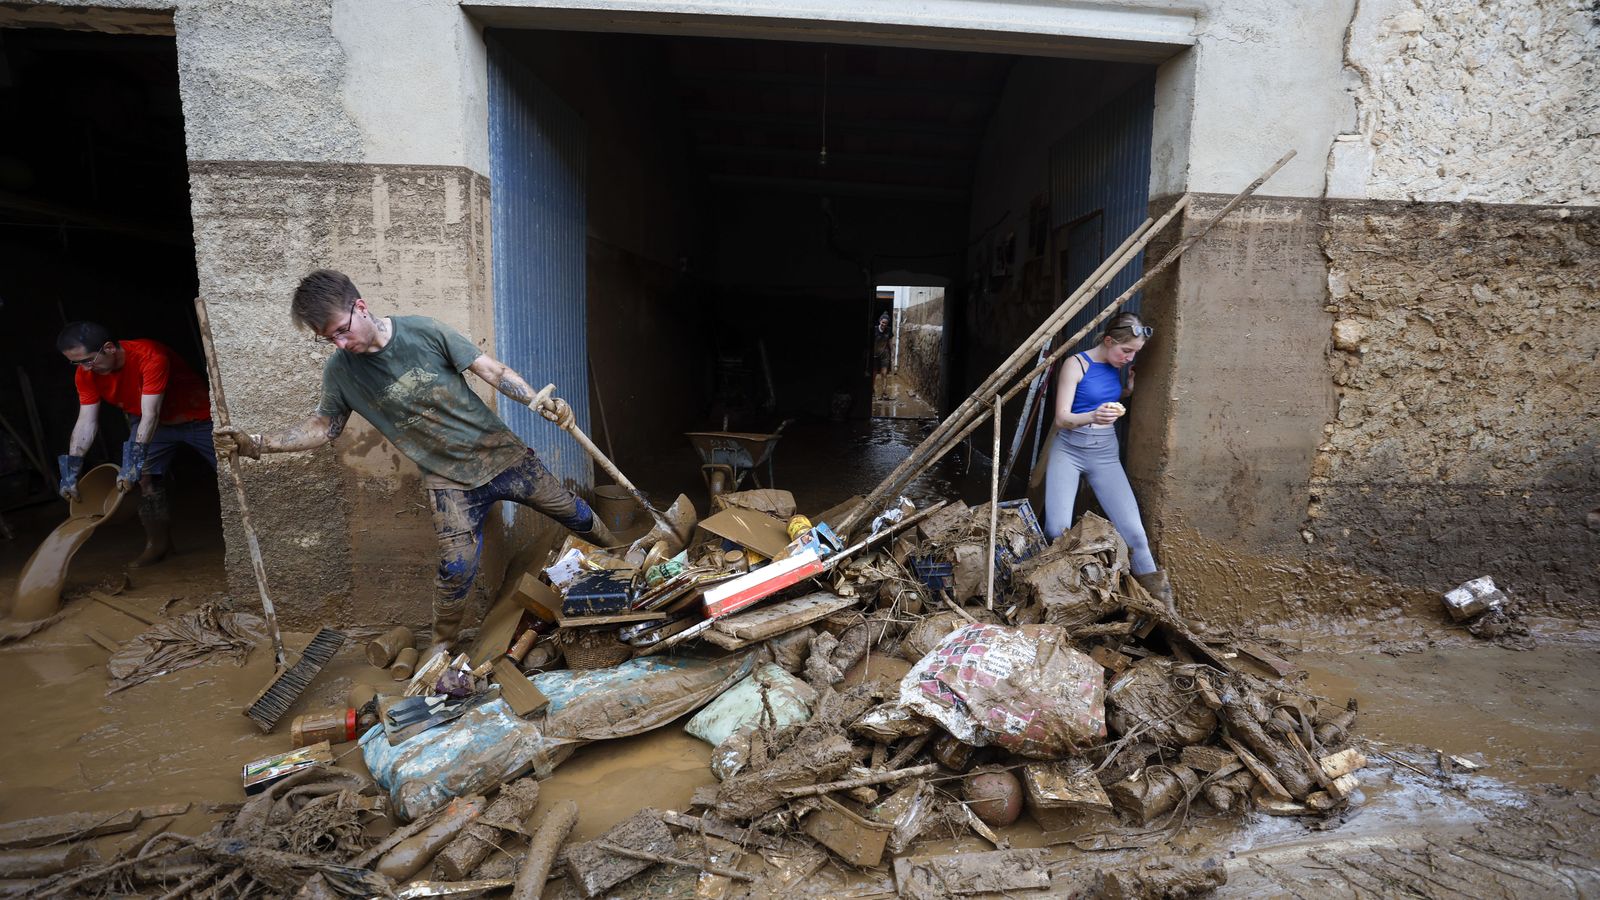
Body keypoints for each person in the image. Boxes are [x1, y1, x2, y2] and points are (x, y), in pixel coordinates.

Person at [213, 269, 616, 657]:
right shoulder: (341, 372)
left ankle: (623, 550)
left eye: (341, 330)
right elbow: (324, 429)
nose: (339, 343)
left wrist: (540, 402)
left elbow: (490, 370)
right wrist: (257, 443)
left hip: (502, 454)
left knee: (572, 511)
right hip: (448, 481)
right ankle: (442, 643)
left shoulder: (423, 330)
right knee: (455, 569)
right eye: (327, 339)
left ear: (361, 306)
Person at [1043, 311, 1175, 611]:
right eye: (1125, 350)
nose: (1128, 358)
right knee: (1057, 530)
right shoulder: (1076, 364)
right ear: (1107, 340)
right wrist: (1093, 415)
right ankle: (1065, 604)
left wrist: (1126, 389)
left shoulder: (1118, 368)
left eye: (1134, 353)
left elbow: (1106, 397)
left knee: (1135, 534)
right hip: (1069, 451)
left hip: (1105, 453)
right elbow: (1062, 418)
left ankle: (1164, 611)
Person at [56, 321, 217, 567]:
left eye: (88, 360)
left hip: (198, 418)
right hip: (152, 423)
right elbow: (86, 421)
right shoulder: (86, 373)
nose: (85, 369)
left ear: (109, 348)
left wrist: (132, 462)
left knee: (230, 471)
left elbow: (151, 412)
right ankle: (158, 545)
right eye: (76, 363)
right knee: (143, 479)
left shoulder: (151, 356)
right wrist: (71, 468)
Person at [871, 311, 892, 397]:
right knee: (874, 373)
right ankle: (872, 389)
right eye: (883, 322)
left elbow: (890, 342)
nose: (884, 324)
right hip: (875, 354)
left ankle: (884, 392)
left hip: (884, 354)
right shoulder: (875, 329)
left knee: (884, 373)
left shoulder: (888, 330)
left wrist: (892, 353)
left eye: (886, 323)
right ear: (880, 321)